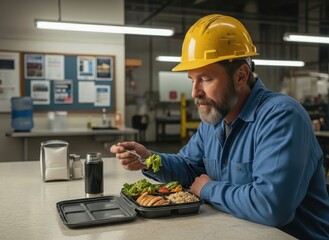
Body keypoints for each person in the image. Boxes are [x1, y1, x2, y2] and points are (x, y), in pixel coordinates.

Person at [110, 14, 329, 239]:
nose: (195, 92)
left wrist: (208, 189)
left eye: (205, 79)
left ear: (241, 76)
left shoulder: (281, 117)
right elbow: (189, 167)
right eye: (192, 80)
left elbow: (271, 206)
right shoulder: (215, 119)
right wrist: (148, 159)